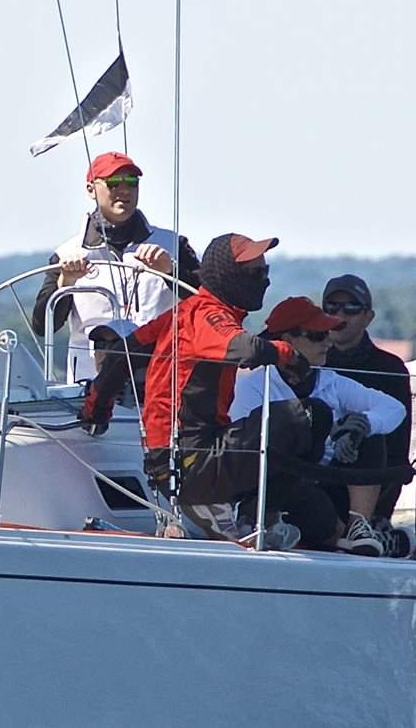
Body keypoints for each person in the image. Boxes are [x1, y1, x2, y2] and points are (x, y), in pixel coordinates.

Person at [122, 232, 338, 550]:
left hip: (187, 455)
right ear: (228, 274)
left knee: (312, 420)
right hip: (188, 464)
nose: (264, 280)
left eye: (265, 271)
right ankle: (218, 505)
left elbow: (125, 350)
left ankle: (258, 515)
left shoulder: (187, 312)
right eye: (256, 272)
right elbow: (245, 348)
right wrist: (290, 355)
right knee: (305, 416)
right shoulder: (207, 314)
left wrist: (96, 408)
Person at [226, 296, 408, 556]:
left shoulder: (331, 382)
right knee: (309, 500)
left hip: (327, 483)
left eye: (328, 334)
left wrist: (360, 427)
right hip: (276, 487)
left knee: (367, 431)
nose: (328, 342)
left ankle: (359, 527)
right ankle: (353, 540)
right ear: (287, 341)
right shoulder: (254, 386)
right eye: (317, 336)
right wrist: (332, 430)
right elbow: (247, 449)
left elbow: (393, 408)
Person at [30, 152, 199, 386]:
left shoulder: (172, 245)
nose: (125, 191)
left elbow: (207, 304)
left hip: (162, 382)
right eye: (113, 183)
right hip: (88, 385)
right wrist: (66, 283)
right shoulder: (67, 254)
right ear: (91, 189)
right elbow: (42, 326)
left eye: (132, 182)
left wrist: (170, 272)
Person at [318, 273, 414, 525]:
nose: (339, 315)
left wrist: (381, 515)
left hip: (367, 486)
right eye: (331, 307)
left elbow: (397, 451)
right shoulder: (309, 360)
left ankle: (362, 526)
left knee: (371, 436)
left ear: (368, 317)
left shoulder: (390, 369)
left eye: (351, 308)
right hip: (311, 484)